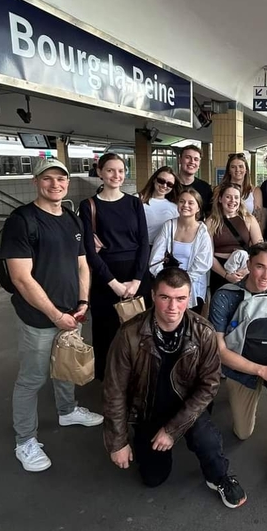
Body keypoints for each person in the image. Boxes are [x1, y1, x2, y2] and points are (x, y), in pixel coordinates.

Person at [102, 267, 246, 508]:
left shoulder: (203, 332)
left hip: (188, 407)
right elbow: (114, 390)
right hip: (148, 409)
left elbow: (209, 386)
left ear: (188, 298)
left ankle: (219, 477)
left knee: (207, 440)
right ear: (153, 296)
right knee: (153, 478)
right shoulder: (129, 335)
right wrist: (118, 441)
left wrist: (171, 430)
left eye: (180, 299)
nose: (173, 307)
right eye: (165, 297)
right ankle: (149, 441)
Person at [0, 158, 103, 472]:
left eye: (61, 179)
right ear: (36, 182)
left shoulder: (71, 218)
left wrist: (83, 301)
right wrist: (56, 314)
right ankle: (25, 440)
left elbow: (82, 263)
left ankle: (67, 409)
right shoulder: (22, 220)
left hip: (72, 313)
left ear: (67, 183)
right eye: (48, 179)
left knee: (65, 366)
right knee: (32, 379)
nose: (55, 184)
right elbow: (21, 278)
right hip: (38, 317)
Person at [209, 242, 267, 501]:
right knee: (243, 432)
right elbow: (220, 351)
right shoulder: (225, 296)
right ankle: (247, 394)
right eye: (260, 267)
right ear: (248, 265)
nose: (266, 275)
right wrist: (263, 372)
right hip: (243, 370)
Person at [79, 152, 150, 380]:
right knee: (107, 333)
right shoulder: (88, 206)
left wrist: (137, 279)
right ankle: (111, 382)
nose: (116, 175)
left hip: (135, 276)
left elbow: (143, 243)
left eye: (120, 170)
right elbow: (89, 250)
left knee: (138, 332)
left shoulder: (134, 203)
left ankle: (137, 377)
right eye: (110, 170)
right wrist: (115, 285)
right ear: (100, 172)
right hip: (105, 278)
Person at [149, 188, 213, 312]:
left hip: (193, 286)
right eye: (182, 201)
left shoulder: (202, 231)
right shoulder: (168, 226)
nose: (185, 205)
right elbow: (155, 258)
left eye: (190, 203)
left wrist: (182, 282)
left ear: (198, 208)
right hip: (167, 286)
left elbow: (203, 263)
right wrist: (166, 280)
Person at [206, 183, 263, 295]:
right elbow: (208, 255)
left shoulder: (249, 219)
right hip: (219, 270)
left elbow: (260, 249)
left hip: (244, 268)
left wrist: (247, 269)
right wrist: (226, 275)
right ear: (220, 199)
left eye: (236, 197)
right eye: (228, 197)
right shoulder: (211, 222)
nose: (232, 201)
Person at [138, 166, 179, 244]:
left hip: (162, 250)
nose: (164, 186)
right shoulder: (137, 199)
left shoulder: (175, 207)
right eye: (161, 181)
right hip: (139, 247)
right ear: (154, 179)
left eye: (169, 184)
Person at [176, 144, 213, 216]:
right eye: (188, 157)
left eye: (196, 159)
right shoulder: (168, 185)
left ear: (199, 164)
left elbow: (210, 214)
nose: (192, 162)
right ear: (179, 160)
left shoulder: (205, 188)